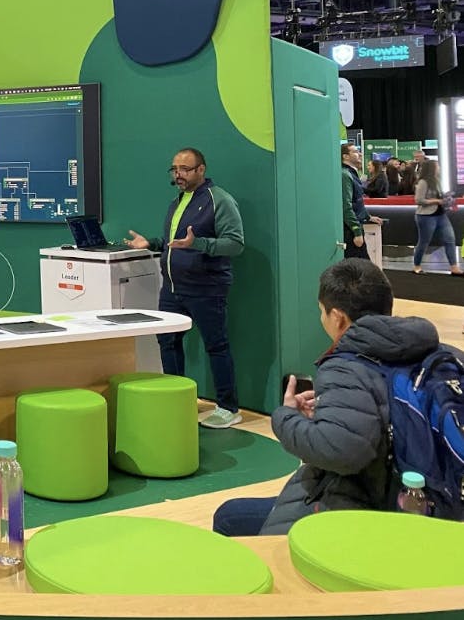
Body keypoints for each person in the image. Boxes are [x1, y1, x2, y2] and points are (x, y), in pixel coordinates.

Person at [211, 259, 448, 536]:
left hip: (366, 509)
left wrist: (286, 417)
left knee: (228, 517)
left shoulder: (346, 366)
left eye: (322, 312)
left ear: (337, 317)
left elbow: (341, 452)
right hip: (433, 504)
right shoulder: (440, 355)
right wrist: (329, 415)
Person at [125, 147, 245, 429]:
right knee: (167, 342)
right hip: (172, 288)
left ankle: (229, 407)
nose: (178, 175)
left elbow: (236, 243)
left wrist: (199, 244)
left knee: (216, 346)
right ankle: (177, 399)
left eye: (185, 169)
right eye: (174, 169)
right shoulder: (178, 201)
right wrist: (152, 244)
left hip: (207, 287)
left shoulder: (220, 200)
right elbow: (175, 241)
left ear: (201, 170)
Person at [413, 160, 463, 275]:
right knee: (424, 242)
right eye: (437, 166)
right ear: (432, 168)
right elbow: (418, 200)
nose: (439, 168)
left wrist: (446, 198)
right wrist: (437, 201)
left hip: (441, 215)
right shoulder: (423, 182)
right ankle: (417, 266)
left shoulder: (437, 181)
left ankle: (454, 267)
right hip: (426, 216)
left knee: (450, 239)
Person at [341, 143, 382, 260]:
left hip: (353, 227)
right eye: (355, 151)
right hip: (350, 230)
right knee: (361, 269)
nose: (359, 154)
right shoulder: (345, 175)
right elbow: (346, 205)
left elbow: (357, 201)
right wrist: (357, 231)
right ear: (346, 156)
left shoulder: (351, 174)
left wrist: (368, 217)